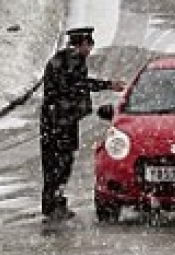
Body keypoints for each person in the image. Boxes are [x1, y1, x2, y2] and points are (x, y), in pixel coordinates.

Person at [39, 26, 125, 221]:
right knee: (60, 164)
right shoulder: (71, 61)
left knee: (56, 164)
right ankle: (53, 205)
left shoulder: (64, 59)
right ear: (83, 44)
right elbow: (78, 84)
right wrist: (107, 85)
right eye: (89, 44)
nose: (91, 49)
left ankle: (54, 203)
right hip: (60, 122)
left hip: (56, 121)